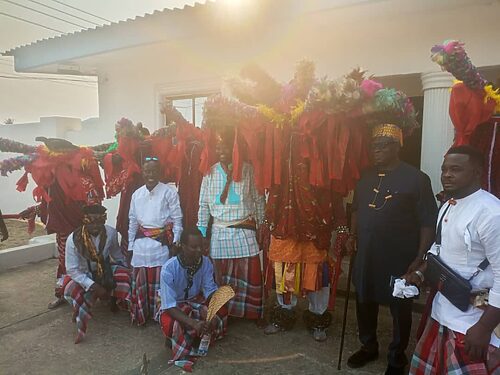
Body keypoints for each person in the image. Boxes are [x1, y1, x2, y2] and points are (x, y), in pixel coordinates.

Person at [346, 123, 437, 375]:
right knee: (364, 299)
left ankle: (397, 357)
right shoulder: (364, 177)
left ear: (397, 147)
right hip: (366, 253)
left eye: (382, 145)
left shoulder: (417, 178)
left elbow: (428, 221)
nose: (376, 150)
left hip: (399, 255)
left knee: (399, 306)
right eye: (373, 146)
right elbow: (355, 210)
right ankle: (368, 346)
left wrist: (420, 257)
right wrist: (351, 236)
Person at [407, 145, 500, 374]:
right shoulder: (448, 206)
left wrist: (484, 328)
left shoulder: (490, 213)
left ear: (477, 172)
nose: (447, 174)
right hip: (441, 313)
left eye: (456, 169)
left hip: (473, 324)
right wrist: (419, 274)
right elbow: (438, 250)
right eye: (444, 169)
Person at [197, 138, 265, 321]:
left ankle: (250, 312)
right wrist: (202, 231)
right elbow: (203, 205)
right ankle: (224, 311)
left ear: (236, 147)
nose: (221, 150)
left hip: (245, 229)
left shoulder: (248, 170)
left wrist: (262, 225)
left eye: (225, 145)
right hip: (219, 230)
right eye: (217, 146)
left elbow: (259, 200)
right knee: (221, 276)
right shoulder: (209, 172)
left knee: (249, 272)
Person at [63, 204, 131, 343]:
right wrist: (94, 286)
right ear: (85, 221)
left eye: (99, 222)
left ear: (104, 221)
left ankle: (116, 301)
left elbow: (117, 256)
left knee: (127, 277)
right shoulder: (73, 239)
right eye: (91, 222)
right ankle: (80, 316)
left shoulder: (111, 233)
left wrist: (128, 269)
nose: (95, 226)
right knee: (71, 289)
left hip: (104, 268)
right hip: (83, 273)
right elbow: (72, 269)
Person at [159, 226, 228, 363]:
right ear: (183, 246)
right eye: (194, 247)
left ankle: (195, 335)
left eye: (201, 246)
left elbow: (210, 291)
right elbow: (169, 305)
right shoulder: (169, 268)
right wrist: (193, 323)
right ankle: (183, 337)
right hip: (175, 305)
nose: (199, 250)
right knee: (173, 323)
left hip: (195, 301)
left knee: (220, 310)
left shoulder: (206, 262)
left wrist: (218, 301)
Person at [128, 157, 183, 325]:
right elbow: (132, 221)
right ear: (142, 173)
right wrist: (130, 245)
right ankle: (142, 314)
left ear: (159, 172)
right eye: (147, 171)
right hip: (140, 247)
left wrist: (176, 242)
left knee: (161, 282)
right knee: (141, 282)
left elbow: (177, 219)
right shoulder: (137, 194)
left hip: (161, 246)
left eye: (153, 171)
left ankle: (160, 316)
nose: (150, 174)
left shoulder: (169, 192)